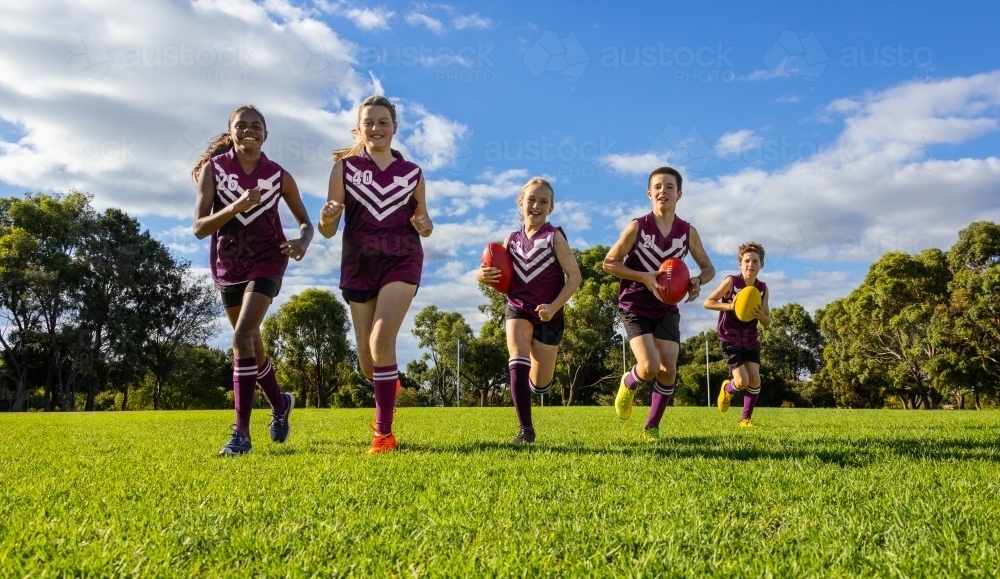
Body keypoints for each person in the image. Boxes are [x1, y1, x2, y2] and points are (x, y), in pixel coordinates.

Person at [192, 105, 313, 456]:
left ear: (265, 134)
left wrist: (302, 241)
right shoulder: (214, 171)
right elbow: (200, 228)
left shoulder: (278, 175)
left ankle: (240, 435)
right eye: (241, 126)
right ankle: (280, 404)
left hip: (268, 259)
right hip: (229, 265)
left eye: (256, 126)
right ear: (230, 132)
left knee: (242, 337)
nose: (249, 131)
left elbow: (304, 222)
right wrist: (236, 207)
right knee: (252, 345)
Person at [319, 95, 433, 454]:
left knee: (381, 342)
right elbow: (327, 230)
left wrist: (425, 225)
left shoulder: (412, 173)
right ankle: (387, 383)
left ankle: (383, 434)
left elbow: (423, 224)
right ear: (359, 127)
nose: (376, 128)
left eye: (383, 122)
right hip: (358, 265)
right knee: (368, 361)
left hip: (402, 260)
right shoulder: (344, 169)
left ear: (395, 128)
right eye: (369, 122)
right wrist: (326, 218)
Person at [603, 166, 714, 441]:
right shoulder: (638, 226)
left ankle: (652, 427)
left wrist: (698, 281)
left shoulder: (687, 232)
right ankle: (629, 383)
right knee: (650, 367)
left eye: (669, 187)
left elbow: (708, 267)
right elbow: (609, 263)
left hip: (666, 307)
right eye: (658, 187)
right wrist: (643, 277)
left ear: (679, 194)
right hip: (635, 305)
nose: (663, 191)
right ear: (649, 193)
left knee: (669, 370)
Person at [477, 178, 581, 446]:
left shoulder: (554, 236)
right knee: (517, 359)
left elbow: (574, 277)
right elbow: (498, 275)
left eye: (543, 201)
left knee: (540, 383)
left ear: (551, 208)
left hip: (550, 316)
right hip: (518, 307)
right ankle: (526, 430)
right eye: (531, 199)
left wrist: (554, 307)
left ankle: (536, 386)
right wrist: (482, 275)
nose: (536, 205)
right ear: (520, 203)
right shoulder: (511, 239)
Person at [704, 242, 771, 428]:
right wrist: (730, 306)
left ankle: (746, 419)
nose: (751, 264)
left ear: (761, 264)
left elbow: (767, 321)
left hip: (750, 339)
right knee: (741, 382)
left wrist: (761, 316)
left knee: (755, 379)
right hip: (729, 337)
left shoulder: (763, 289)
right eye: (747, 261)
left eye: (755, 261)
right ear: (740, 264)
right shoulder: (731, 282)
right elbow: (708, 302)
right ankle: (727, 389)